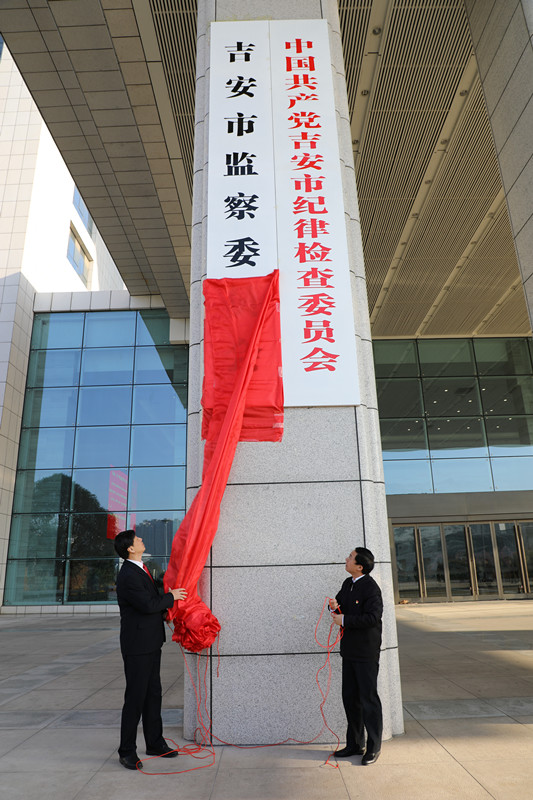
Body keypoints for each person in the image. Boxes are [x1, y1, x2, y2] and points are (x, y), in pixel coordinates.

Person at [114, 529, 187, 771]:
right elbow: (147, 605)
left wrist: (164, 612)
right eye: (137, 540)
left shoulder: (140, 569)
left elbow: (149, 604)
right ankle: (127, 751)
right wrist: (171, 597)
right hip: (137, 646)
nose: (142, 540)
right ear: (130, 549)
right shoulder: (128, 575)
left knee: (153, 694)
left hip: (151, 642)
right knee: (135, 698)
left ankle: (155, 743)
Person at [330, 546, 383, 765]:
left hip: (366, 652)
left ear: (360, 566)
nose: (346, 559)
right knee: (350, 699)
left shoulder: (371, 588)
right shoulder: (347, 584)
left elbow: (373, 617)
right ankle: (355, 744)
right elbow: (341, 605)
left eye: (350, 557)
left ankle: (373, 748)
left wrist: (344, 620)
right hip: (349, 651)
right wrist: (334, 606)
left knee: (368, 699)